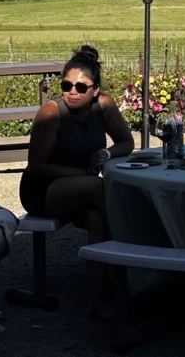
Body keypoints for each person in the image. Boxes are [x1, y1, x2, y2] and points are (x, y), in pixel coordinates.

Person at [19, 45, 134, 320]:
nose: (72, 91)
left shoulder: (104, 106)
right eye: (66, 85)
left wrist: (106, 153)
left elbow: (126, 142)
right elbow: (37, 167)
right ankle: (136, 253)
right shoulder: (51, 114)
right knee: (100, 189)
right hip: (42, 189)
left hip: (80, 186)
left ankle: (99, 297)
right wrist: (80, 173)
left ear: (95, 90)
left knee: (96, 217)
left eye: (81, 87)